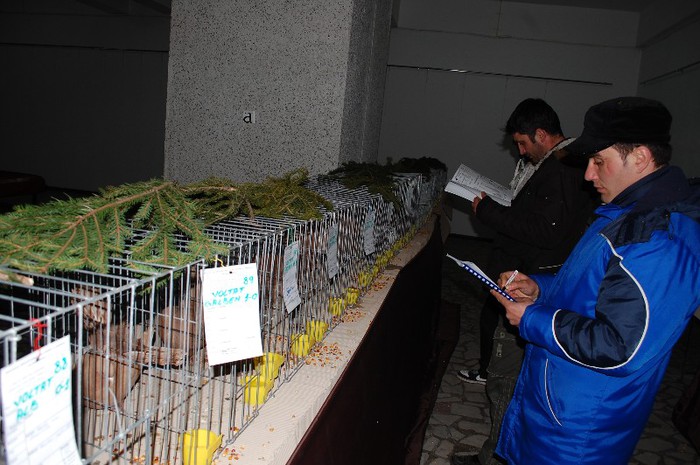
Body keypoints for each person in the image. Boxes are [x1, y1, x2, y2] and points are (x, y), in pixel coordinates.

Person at [491, 96, 700, 465]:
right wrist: (540, 288)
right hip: (560, 405)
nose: (588, 175)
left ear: (639, 158)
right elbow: (596, 291)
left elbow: (620, 345)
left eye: (599, 161)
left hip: (580, 430)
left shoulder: (657, 238)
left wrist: (532, 319)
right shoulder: (626, 212)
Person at [451, 98, 595, 465]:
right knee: (507, 379)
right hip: (533, 280)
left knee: (505, 380)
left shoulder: (561, 169)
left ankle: (497, 458)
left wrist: (489, 211)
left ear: (542, 135)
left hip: (534, 283)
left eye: (523, 143)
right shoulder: (557, 166)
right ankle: (497, 453)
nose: (520, 151)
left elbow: (544, 231)